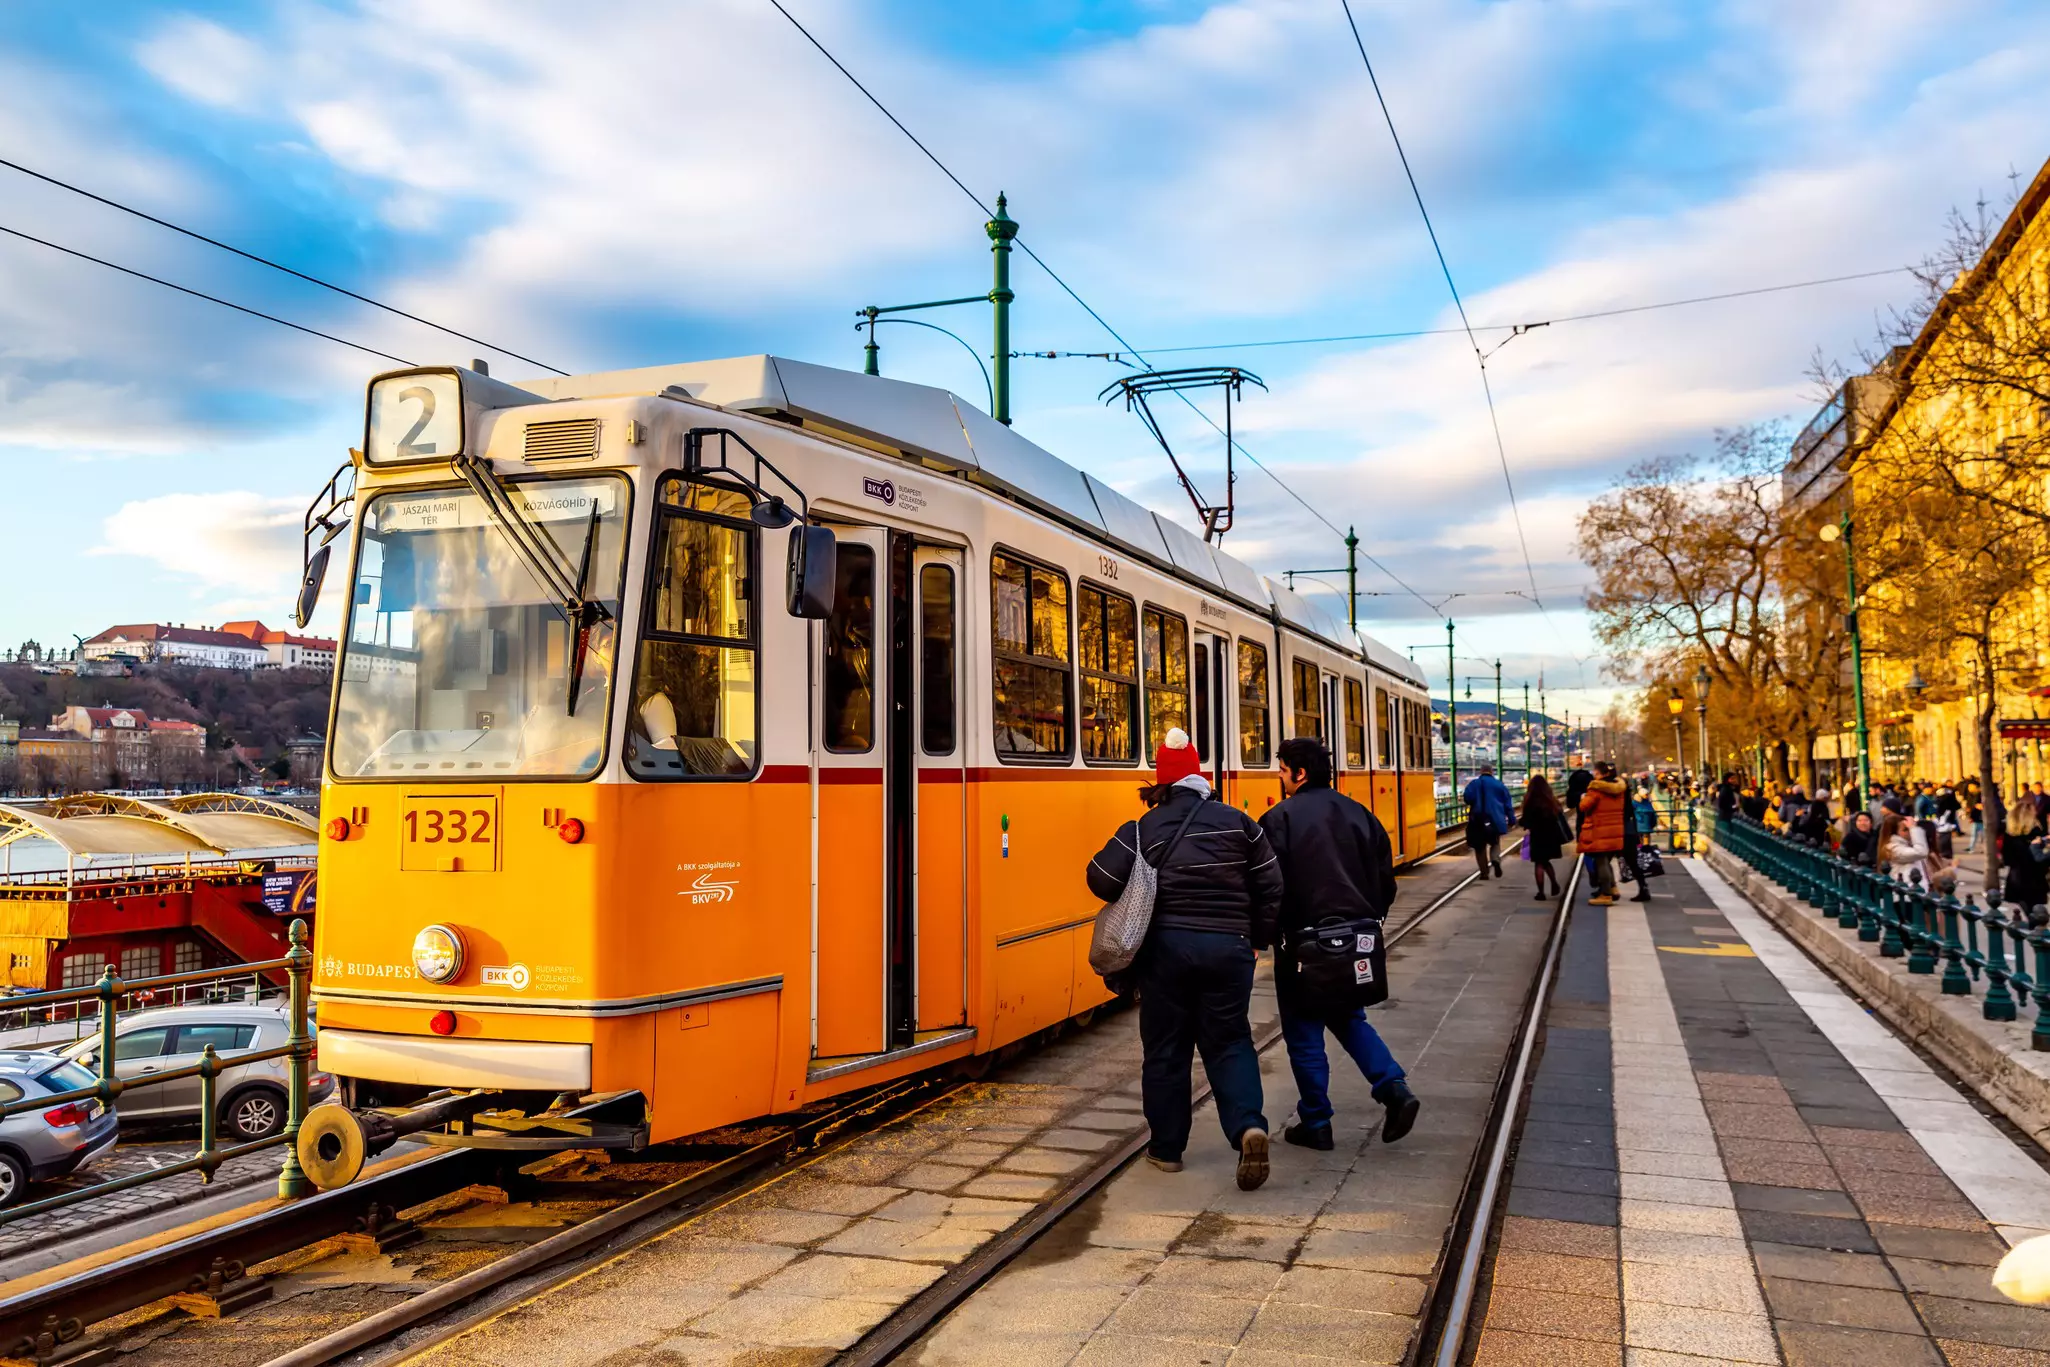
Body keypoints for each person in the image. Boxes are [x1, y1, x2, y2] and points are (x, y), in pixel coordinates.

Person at [1087, 728, 1282, 1189]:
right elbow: (1271, 885)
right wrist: (1256, 938)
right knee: (1230, 1041)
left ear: (1160, 784)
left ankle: (1167, 1150)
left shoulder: (1141, 829)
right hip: (1229, 950)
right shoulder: (1239, 823)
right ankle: (1248, 1127)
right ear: (1199, 778)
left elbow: (1100, 881)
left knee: (1166, 1050)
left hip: (1165, 955)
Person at [1259, 738, 1420, 1150]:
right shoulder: (1360, 815)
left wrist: (1265, 934)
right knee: (1349, 1017)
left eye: (1282, 770)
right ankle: (1393, 1088)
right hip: (1356, 939)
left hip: (1302, 944)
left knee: (1303, 1031)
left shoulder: (1278, 819)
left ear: (1299, 772)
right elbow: (1386, 880)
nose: (1279, 778)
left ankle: (1317, 1121)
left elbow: (1267, 887)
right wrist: (1370, 919)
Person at [1579, 762, 1629, 905]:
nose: (1595, 777)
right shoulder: (1620, 790)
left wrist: (1583, 798)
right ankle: (1613, 888)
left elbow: (1584, 806)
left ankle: (1605, 894)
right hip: (1615, 829)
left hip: (1599, 830)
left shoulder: (1596, 789)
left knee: (1601, 862)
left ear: (1602, 774)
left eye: (1596, 774)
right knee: (1606, 861)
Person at [1462, 762, 1515, 879]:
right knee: (1495, 842)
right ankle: (1495, 860)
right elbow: (1508, 804)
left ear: (1481, 771)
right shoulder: (1499, 785)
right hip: (1495, 820)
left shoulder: (1474, 784)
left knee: (1479, 847)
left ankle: (1484, 873)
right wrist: (1512, 820)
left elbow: (1467, 798)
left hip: (1478, 820)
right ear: (1492, 771)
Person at [1519, 775, 1569, 900]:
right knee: (1545, 861)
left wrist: (1524, 824)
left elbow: (1526, 820)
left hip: (1537, 836)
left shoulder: (1529, 801)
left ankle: (1541, 892)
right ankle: (1554, 883)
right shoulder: (1551, 800)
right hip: (1551, 835)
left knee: (1539, 863)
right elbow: (1559, 814)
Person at [1998, 800, 2050, 915]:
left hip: (2016, 880)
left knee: (2029, 914)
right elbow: (2041, 860)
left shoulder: (2009, 836)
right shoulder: (2036, 834)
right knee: (2037, 917)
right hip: (2034, 881)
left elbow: (2007, 859)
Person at [1878, 812, 1931, 887]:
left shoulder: (1909, 844)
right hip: (1907, 894)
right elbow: (1921, 852)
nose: (1910, 831)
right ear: (1894, 834)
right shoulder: (1892, 849)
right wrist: (1914, 828)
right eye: (1905, 829)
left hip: (1916, 890)